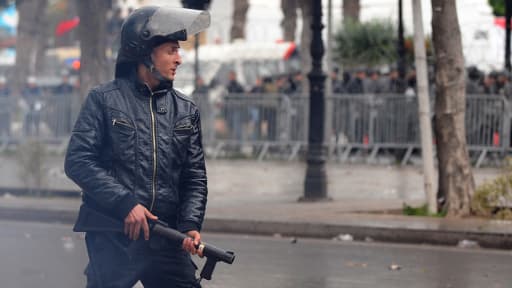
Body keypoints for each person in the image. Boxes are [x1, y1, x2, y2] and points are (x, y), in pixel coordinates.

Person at [64, 6, 210, 288]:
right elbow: (78, 161)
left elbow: (194, 175)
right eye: (171, 50)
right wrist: (126, 203)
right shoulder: (104, 100)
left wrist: (190, 223)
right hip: (114, 235)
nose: (179, 59)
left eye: (178, 51)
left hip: (167, 238)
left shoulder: (186, 110)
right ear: (144, 53)